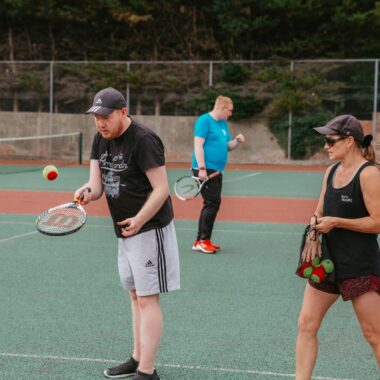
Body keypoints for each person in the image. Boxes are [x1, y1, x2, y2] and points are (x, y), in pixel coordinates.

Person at [76, 87, 180, 380]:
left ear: (123, 112)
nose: (100, 123)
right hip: (124, 230)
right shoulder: (100, 139)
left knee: (148, 298)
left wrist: (139, 219)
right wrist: (86, 192)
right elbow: (96, 186)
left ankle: (147, 372)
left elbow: (161, 189)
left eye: (106, 117)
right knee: (135, 295)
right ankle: (137, 359)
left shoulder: (144, 140)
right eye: (96, 117)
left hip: (149, 228)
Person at [295, 114, 380, 379]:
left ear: (350, 142)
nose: (326, 146)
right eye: (325, 140)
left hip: (359, 265)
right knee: (306, 325)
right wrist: (313, 230)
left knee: (373, 334)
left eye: (331, 140)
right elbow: (318, 213)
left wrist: (338, 222)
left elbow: (377, 222)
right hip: (327, 262)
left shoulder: (369, 174)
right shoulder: (331, 171)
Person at [191, 95, 245, 254]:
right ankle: (203, 240)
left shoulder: (222, 124)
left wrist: (237, 140)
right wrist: (201, 168)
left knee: (212, 203)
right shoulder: (204, 121)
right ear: (222, 108)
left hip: (216, 172)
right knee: (212, 203)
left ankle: (201, 240)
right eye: (230, 110)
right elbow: (198, 145)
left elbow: (228, 146)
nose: (231, 114)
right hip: (205, 170)